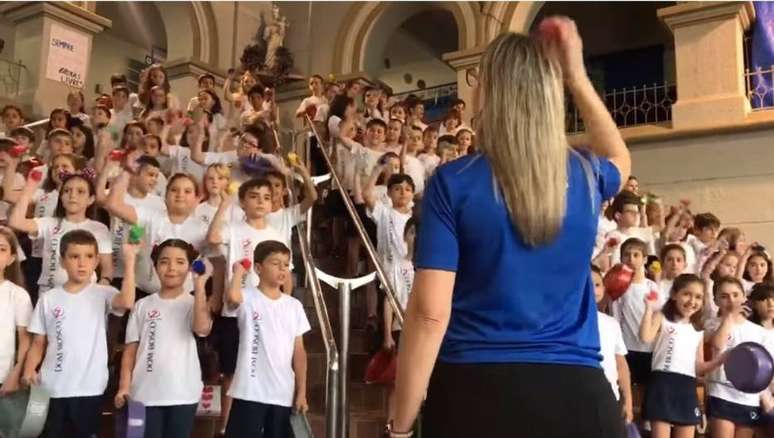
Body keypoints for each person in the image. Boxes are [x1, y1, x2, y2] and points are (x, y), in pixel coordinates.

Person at [389, 17, 631, 437]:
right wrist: (577, 75)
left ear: (492, 93)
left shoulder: (454, 181)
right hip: (580, 398)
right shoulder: (587, 174)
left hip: (475, 393)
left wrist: (401, 425)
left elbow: (429, 315)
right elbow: (622, 160)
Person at [22, 230, 137, 438]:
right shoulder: (49, 298)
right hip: (51, 389)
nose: (82, 263)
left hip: (89, 389)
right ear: (62, 261)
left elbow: (127, 302)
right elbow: (39, 342)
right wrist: (29, 370)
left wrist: (129, 262)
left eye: (89, 257)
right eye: (75, 257)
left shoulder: (104, 293)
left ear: (96, 261)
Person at [206, 178, 284, 435]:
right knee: (231, 371)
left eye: (266, 197)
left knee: (259, 368)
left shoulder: (275, 234)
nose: (261, 201)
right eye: (253, 196)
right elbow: (213, 237)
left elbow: (286, 274)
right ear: (242, 202)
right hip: (234, 310)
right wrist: (225, 202)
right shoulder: (233, 228)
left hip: (265, 312)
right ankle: (226, 426)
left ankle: (256, 424)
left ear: (272, 204)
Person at [115, 239, 215, 438]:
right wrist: (124, 387)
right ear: (155, 266)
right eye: (164, 261)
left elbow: (202, 328)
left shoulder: (194, 303)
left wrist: (200, 285)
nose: (171, 268)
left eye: (180, 262)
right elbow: (130, 350)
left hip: (183, 394)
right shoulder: (142, 305)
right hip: (144, 394)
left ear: (189, 268)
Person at [224, 240, 310, 438]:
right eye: (275, 263)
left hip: (282, 393)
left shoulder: (293, 305)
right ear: (258, 268)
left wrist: (301, 391)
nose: (282, 269)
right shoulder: (247, 297)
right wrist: (238, 272)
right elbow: (233, 299)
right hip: (249, 391)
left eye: (286, 264)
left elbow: (299, 352)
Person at [639, 273, 726, 438]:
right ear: (674, 294)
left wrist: (720, 359)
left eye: (698, 297)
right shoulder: (662, 317)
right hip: (662, 383)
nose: (692, 301)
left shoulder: (698, 329)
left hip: (686, 386)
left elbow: (699, 366)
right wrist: (649, 309)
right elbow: (645, 337)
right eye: (687, 294)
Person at [9, 172, 113, 294]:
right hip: (49, 293)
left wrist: (101, 288)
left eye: (80, 191)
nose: (72, 195)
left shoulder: (99, 229)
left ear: (91, 199)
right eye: (67, 191)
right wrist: (29, 189)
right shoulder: (49, 223)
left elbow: (107, 269)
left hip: (85, 295)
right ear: (61, 198)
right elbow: (16, 222)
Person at [705, 276, 768, 437]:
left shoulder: (759, 331)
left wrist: (765, 399)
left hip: (748, 398)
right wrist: (729, 318)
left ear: (744, 297)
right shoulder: (713, 324)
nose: (731, 300)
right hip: (721, 391)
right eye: (724, 297)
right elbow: (718, 345)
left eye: (735, 295)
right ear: (716, 301)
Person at [611, 238, 662, 387]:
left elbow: (660, 316)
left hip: (650, 349)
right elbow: (615, 316)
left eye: (636, 255)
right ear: (621, 259)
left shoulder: (652, 286)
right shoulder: (618, 286)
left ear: (645, 259)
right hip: (627, 348)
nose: (631, 259)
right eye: (627, 255)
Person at [591, 265, 633, 427]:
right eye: (587, 284)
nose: (593, 289)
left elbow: (621, 364)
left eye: (597, 284)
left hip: (610, 397)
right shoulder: (565, 321)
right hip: (577, 396)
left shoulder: (610, 323)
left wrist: (628, 400)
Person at [0, 227, 31, 438]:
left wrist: (16, 372)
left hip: (4, 379)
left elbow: (25, 340)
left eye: (1, 249)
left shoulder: (17, 295)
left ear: (11, 258)